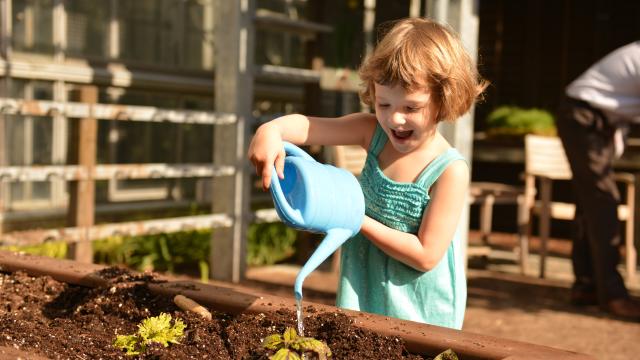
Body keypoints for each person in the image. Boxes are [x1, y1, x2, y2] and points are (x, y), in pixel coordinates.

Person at [248, 17, 486, 329]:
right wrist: (271, 130)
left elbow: (426, 255)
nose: (395, 119)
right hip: (365, 284)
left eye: (411, 108)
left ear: (444, 99)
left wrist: (355, 219)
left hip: (418, 307)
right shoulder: (371, 131)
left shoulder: (448, 171)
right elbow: (309, 127)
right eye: (383, 103)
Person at [558, 41, 640, 321]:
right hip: (584, 116)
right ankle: (613, 295)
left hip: (593, 119)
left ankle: (587, 286)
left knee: (590, 204)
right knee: (604, 201)